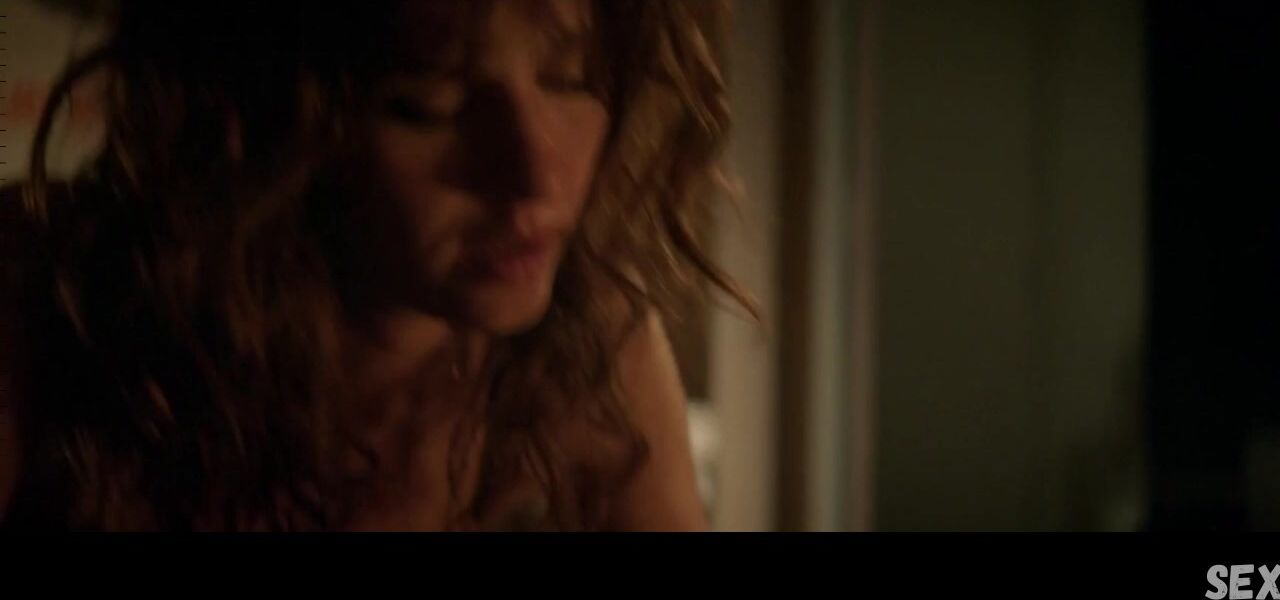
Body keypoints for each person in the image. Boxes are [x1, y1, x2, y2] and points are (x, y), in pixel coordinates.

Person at [0, 0, 753, 531]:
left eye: (571, 77)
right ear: (261, 118)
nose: (536, 177)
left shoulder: (593, 347)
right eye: (427, 105)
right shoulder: (48, 298)